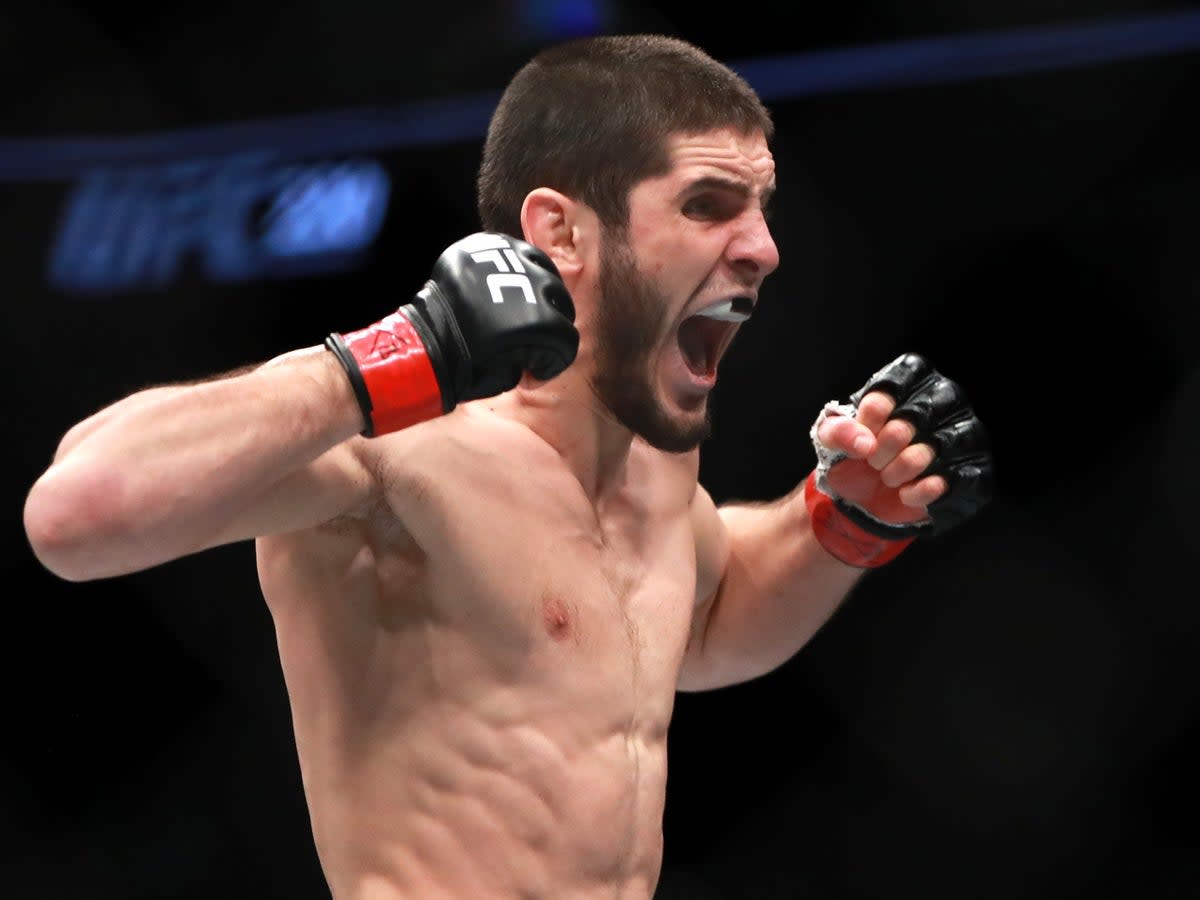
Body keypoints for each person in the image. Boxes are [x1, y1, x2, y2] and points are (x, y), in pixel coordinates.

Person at [23, 32, 994, 900]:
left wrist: (839, 521)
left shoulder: (659, 485)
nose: (764, 248)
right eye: (708, 205)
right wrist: (384, 362)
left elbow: (711, 615)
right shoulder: (397, 455)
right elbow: (74, 513)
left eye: (762, 208)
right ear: (560, 232)